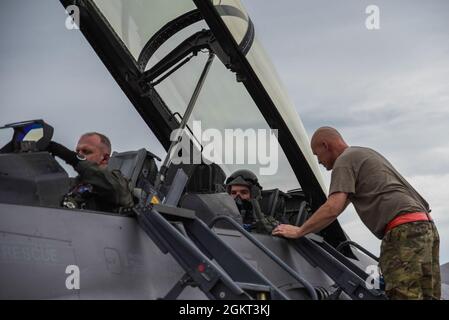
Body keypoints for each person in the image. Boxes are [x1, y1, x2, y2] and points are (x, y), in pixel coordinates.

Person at [272, 126, 440, 300]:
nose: (319, 161)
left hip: (402, 231)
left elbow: (332, 208)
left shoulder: (344, 161)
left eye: (317, 155)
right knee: (428, 296)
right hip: (426, 228)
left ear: (325, 145)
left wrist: (299, 231)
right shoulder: (365, 154)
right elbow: (340, 206)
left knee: (403, 295)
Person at [46, 132, 134, 213]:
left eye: (86, 152)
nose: (79, 155)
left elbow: (113, 187)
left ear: (105, 158)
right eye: (77, 151)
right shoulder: (73, 184)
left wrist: (70, 156)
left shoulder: (118, 184)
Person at [225, 169, 278, 234]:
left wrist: (259, 219)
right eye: (233, 193)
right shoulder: (223, 218)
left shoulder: (269, 222)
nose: (238, 197)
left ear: (254, 195)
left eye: (244, 192)